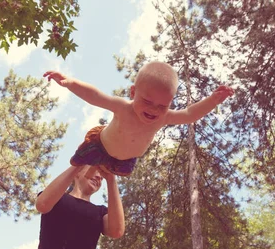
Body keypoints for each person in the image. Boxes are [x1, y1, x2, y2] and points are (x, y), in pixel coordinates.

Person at [44, 61, 234, 176]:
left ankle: (103, 168)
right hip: (100, 145)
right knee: (78, 161)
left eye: (162, 105)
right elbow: (95, 96)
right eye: (147, 101)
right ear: (133, 92)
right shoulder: (122, 107)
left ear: (170, 102)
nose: (154, 109)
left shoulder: (164, 118)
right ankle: (92, 166)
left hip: (127, 159)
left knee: (121, 172)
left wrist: (214, 100)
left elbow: (190, 114)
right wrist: (69, 83)